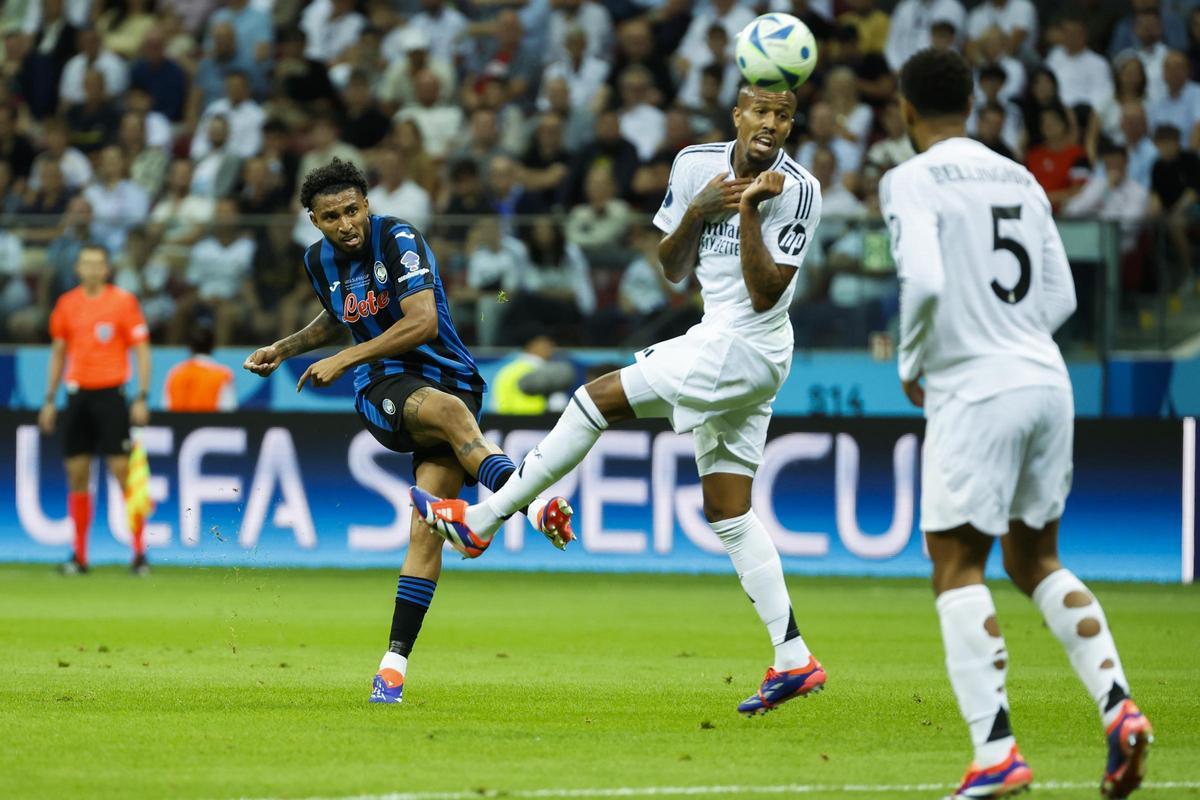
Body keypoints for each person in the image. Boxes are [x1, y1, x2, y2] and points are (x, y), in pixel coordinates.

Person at [413, 85, 827, 717]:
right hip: (719, 341)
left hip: (749, 346)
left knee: (590, 401)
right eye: (759, 112)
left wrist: (745, 210)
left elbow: (768, 294)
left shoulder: (797, 189)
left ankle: (483, 521)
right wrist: (700, 209)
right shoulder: (694, 164)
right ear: (737, 115)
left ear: (792, 124)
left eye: (783, 115)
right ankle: (794, 657)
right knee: (729, 512)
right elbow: (671, 266)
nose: (770, 124)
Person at [880, 48, 1153, 799]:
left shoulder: (908, 178)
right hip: (1045, 378)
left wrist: (913, 360)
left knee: (956, 564)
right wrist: (1013, 333)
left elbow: (927, 281)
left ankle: (995, 750)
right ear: (971, 104)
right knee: (1035, 560)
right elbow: (1062, 293)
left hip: (975, 387)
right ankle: (1119, 708)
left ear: (905, 110)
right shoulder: (1021, 177)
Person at [241, 158, 573, 706]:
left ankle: (390, 670)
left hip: (451, 376)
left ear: (367, 204)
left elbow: (421, 322)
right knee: (446, 415)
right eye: (331, 216)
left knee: (427, 529)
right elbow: (336, 315)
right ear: (314, 221)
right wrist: (285, 348)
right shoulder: (317, 261)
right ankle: (535, 509)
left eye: (352, 210)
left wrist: (344, 356)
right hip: (383, 386)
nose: (345, 223)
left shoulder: (398, 237)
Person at [38, 245, 152, 575]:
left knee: (122, 472)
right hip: (76, 396)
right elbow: (59, 352)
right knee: (77, 473)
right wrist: (49, 399)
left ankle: (139, 553)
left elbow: (141, 349)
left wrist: (141, 395)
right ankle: (80, 555)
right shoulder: (67, 304)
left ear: (106, 269)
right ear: (77, 268)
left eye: (97, 264)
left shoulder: (122, 302)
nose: (91, 269)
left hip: (111, 395)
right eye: (86, 263)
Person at [165, 324, 236, 411]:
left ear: (190, 347)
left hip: (177, 424)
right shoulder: (223, 374)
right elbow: (228, 410)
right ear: (212, 346)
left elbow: (166, 406)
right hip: (210, 423)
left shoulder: (175, 372)